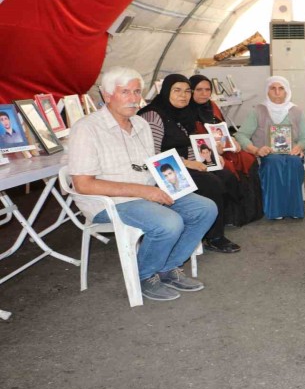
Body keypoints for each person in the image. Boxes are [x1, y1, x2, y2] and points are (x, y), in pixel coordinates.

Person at [68, 66, 216, 301]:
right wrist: (144, 191)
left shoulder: (140, 124)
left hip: (147, 191)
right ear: (107, 95)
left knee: (205, 208)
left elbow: (151, 164)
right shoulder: (86, 129)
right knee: (169, 222)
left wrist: (175, 183)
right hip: (110, 202)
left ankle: (168, 267)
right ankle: (145, 275)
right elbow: (84, 185)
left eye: (137, 92)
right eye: (125, 92)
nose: (133, 98)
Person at [138, 74, 242, 254]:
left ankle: (213, 223)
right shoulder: (153, 115)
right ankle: (214, 237)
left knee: (224, 175)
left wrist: (211, 157)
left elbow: (189, 144)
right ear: (166, 92)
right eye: (177, 90)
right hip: (164, 169)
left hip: (184, 163)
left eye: (187, 91)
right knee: (211, 183)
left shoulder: (183, 113)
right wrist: (188, 163)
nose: (183, 95)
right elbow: (152, 154)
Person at [188, 74, 264, 226]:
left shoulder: (212, 106)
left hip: (222, 147)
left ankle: (249, 211)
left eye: (207, 90)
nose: (204, 93)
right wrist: (213, 150)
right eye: (199, 90)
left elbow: (223, 129)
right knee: (227, 167)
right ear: (191, 91)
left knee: (248, 159)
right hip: (203, 152)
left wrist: (233, 140)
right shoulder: (186, 111)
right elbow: (191, 140)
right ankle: (231, 216)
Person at [235, 76, 305, 220]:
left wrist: (299, 146)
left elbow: (304, 137)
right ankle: (276, 210)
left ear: (287, 91)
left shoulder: (296, 111)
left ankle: (294, 208)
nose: (277, 92)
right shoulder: (257, 111)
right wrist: (256, 150)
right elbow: (241, 135)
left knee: (294, 162)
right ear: (267, 91)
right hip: (267, 154)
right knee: (274, 161)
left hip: (291, 152)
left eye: (281, 88)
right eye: (273, 88)